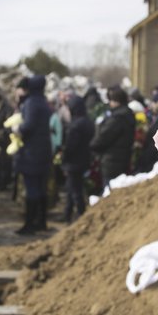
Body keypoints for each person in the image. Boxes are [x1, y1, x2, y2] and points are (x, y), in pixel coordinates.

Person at [13, 75, 52, 236]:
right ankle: (41, 221)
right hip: (44, 150)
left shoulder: (30, 103)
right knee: (41, 187)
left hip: (31, 152)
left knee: (32, 189)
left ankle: (29, 224)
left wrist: (17, 129)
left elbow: (28, 125)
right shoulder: (43, 102)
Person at [89, 86, 136, 190]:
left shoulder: (117, 118)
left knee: (109, 189)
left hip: (112, 161)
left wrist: (92, 145)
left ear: (115, 101)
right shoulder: (127, 114)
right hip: (122, 158)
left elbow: (103, 137)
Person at [61, 93, 94, 223]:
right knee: (72, 189)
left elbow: (70, 146)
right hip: (84, 160)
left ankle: (81, 217)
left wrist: (63, 159)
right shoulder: (88, 121)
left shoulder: (75, 125)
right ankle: (67, 213)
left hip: (73, 162)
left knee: (75, 191)